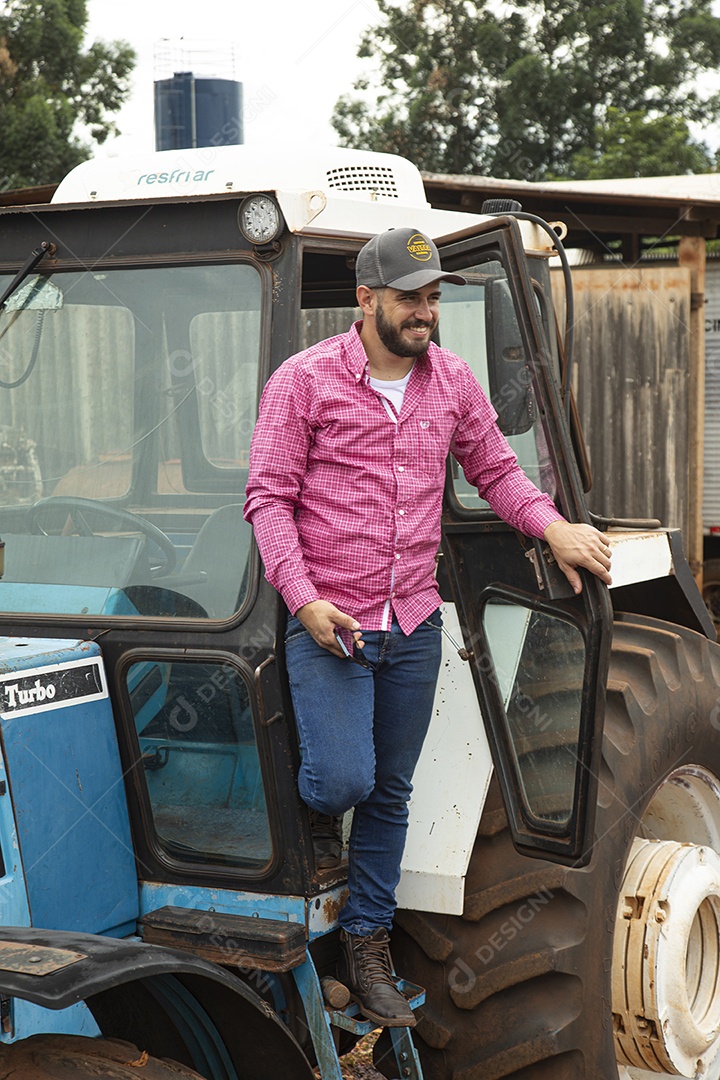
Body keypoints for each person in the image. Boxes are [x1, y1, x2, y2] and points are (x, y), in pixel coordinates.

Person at [244, 227, 612, 1029]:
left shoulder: (451, 381)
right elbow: (268, 500)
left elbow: (498, 470)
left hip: (410, 620)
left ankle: (366, 946)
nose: (426, 312)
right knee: (343, 781)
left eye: (434, 297)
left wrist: (551, 528)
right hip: (331, 621)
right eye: (410, 298)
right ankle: (314, 826)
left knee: (391, 792)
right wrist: (304, 599)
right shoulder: (301, 383)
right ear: (366, 299)